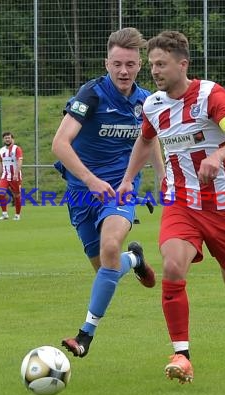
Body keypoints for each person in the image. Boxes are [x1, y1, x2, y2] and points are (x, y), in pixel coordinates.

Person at [117, 31, 225, 384]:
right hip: (181, 201)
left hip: (224, 205)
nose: (154, 71)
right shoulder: (152, 105)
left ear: (183, 64)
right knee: (173, 265)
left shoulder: (212, 96)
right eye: (151, 65)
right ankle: (182, 355)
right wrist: (127, 179)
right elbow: (145, 141)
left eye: (161, 64)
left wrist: (218, 155)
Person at [52, 27, 164, 358]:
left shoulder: (146, 101)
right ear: (107, 63)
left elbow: (150, 137)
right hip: (82, 191)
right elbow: (60, 143)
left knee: (111, 245)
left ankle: (84, 335)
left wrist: (160, 174)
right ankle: (136, 258)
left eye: (130, 64)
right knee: (107, 265)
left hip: (121, 187)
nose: (123, 71)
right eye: (117, 64)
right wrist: (89, 180)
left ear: (139, 64)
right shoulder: (92, 95)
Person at [0, 131, 23, 221]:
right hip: (5, 176)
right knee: (1, 193)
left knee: (17, 195)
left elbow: (19, 161)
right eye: (5, 138)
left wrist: (16, 173)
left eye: (9, 138)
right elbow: (0, 163)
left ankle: (17, 214)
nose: (7, 139)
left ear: (12, 139)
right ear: (3, 139)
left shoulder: (17, 149)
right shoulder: (1, 150)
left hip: (15, 176)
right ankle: (4, 214)